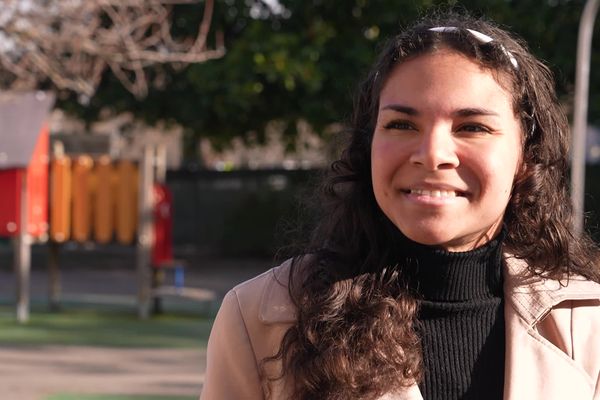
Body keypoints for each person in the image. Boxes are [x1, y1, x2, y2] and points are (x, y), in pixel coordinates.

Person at [200, 11, 600, 400]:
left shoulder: (588, 325)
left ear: (524, 157)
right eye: (402, 124)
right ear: (367, 144)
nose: (433, 154)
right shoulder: (260, 318)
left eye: (472, 127)